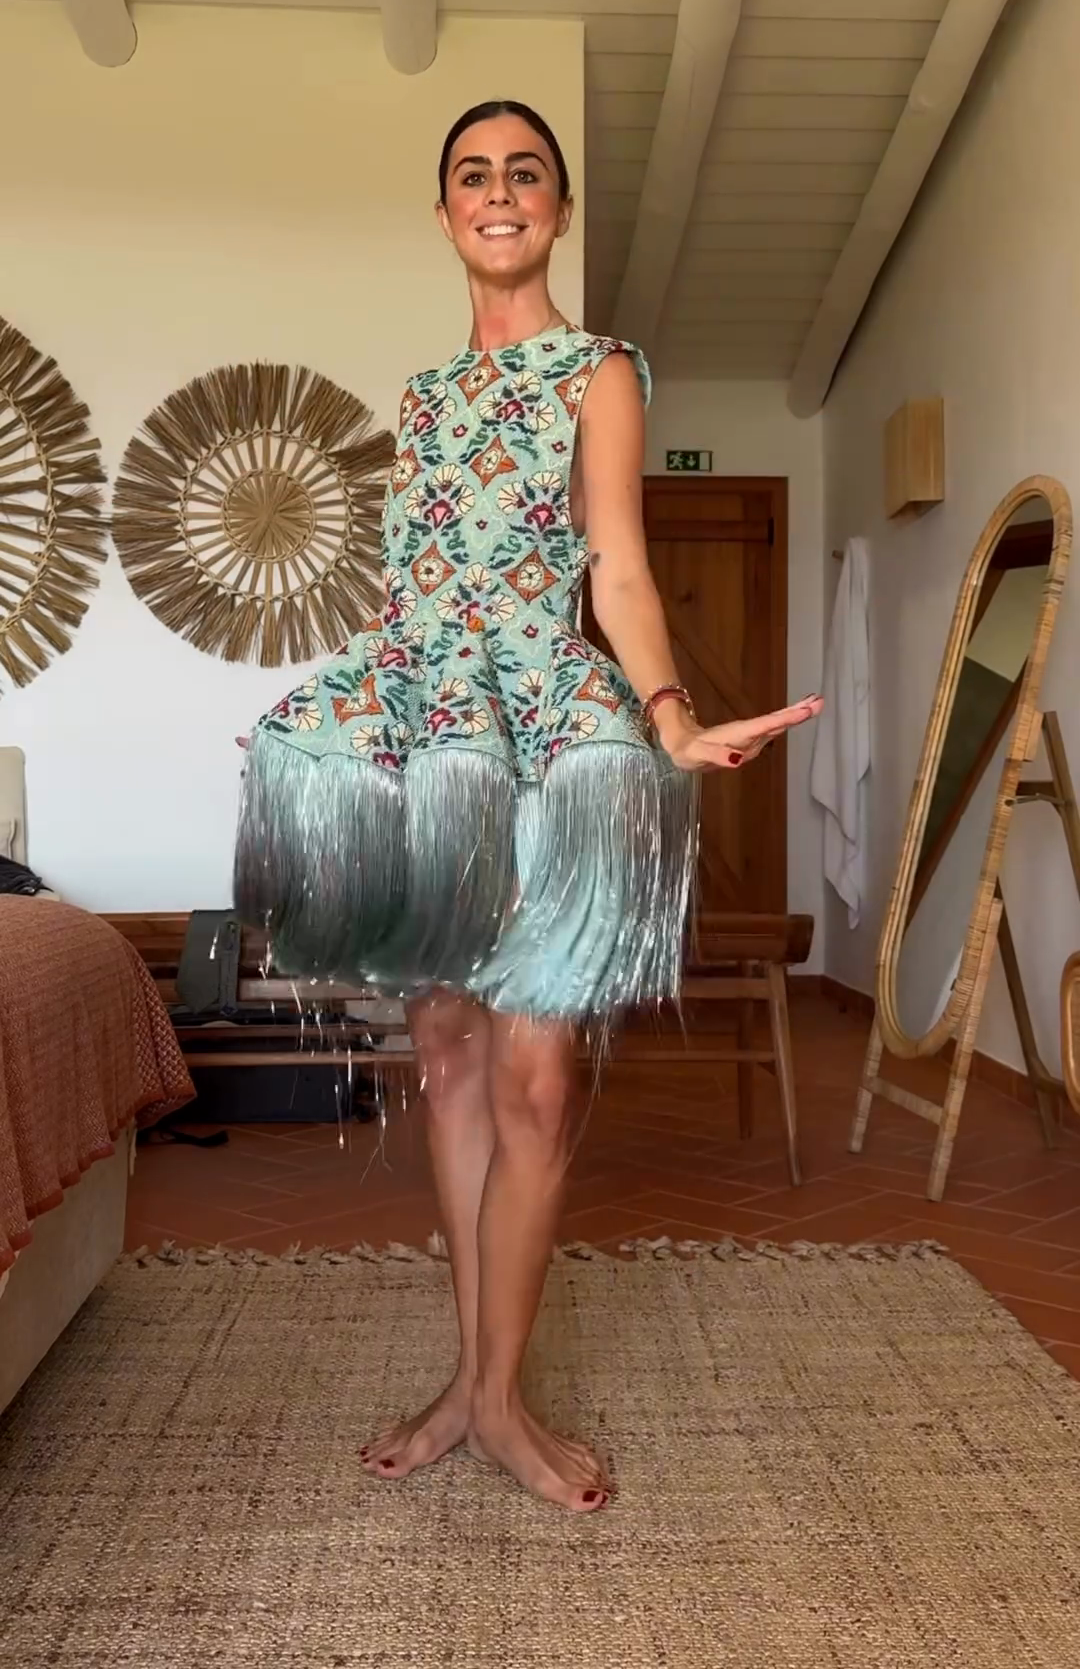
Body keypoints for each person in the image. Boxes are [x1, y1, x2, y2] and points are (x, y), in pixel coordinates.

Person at [234, 99, 823, 1513]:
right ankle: (471, 1381)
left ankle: (501, 1399)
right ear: (447, 213)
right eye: (473, 176)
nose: (499, 194)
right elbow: (416, 590)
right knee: (445, 1049)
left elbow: (616, 566)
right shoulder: (424, 397)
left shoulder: (598, 370)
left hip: (544, 727)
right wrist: (354, 724)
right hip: (429, 732)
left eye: (526, 174)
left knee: (536, 1074)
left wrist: (670, 714)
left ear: (557, 210)